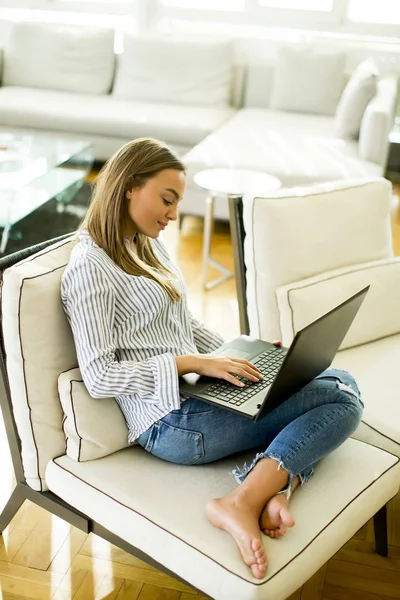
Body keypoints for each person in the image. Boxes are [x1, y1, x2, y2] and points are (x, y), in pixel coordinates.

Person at [61, 137, 364, 580]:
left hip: (198, 399)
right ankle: (240, 502)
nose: (172, 215)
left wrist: (246, 354)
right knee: (342, 398)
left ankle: (274, 485)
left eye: (176, 202)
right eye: (167, 200)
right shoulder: (90, 268)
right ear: (129, 185)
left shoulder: (145, 245)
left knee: (335, 378)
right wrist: (190, 364)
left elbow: (184, 326)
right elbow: (100, 376)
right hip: (169, 423)